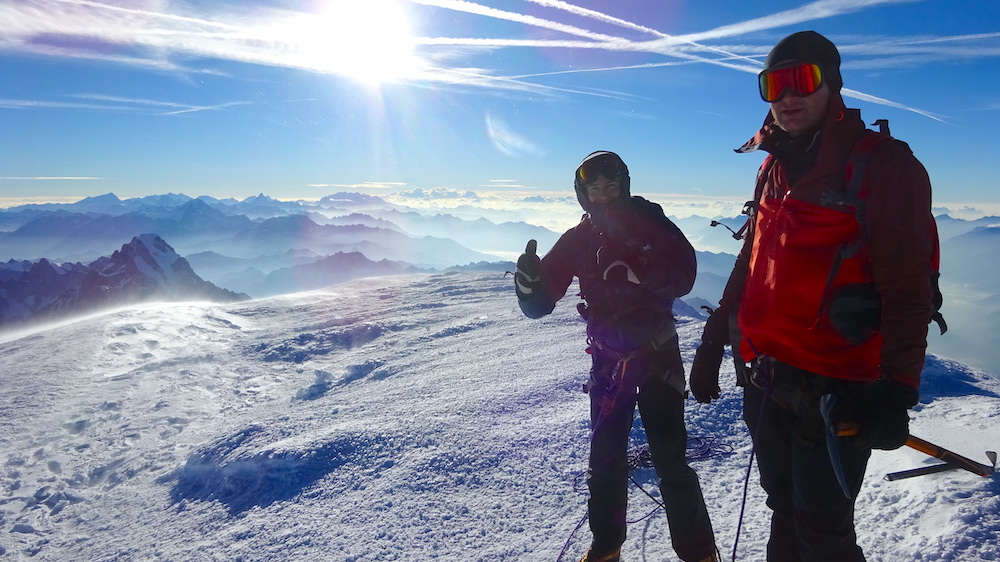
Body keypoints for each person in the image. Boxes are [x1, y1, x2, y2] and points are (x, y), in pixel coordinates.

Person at [690, 31, 937, 561]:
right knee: (784, 506)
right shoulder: (773, 164)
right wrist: (714, 341)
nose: (785, 97)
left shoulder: (884, 167)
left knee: (824, 530)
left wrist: (897, 388)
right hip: (768, 376)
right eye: (772, 85)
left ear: (833, 81)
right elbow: (751, 258)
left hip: (838, 386)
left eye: (801, 80)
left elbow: (908, 286)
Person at [514, 151, 718, 562]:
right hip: (609, 362)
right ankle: (607, 549)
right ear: (583, 193)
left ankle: (698, 554)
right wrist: (530, 285)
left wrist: (638, 270)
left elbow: (684, 277)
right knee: (604, 460)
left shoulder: (651, 223)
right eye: (595, 189)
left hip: (656, 356)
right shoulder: (578, 238)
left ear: (624, 186)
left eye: (611, 187)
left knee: (670, 459)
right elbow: (541, 304)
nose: (604, 196)